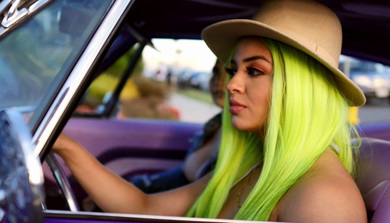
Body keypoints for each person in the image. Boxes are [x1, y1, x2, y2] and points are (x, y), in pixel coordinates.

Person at [53, 0, 368, 222]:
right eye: (233, 70)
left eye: (255, 71)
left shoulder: (324, 198)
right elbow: (144, 206)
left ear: (301, 87)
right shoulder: (258, 165)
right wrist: (65, 145)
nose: (232, 84)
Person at [129, 59, 225, 193]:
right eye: (215, 73)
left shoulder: (248, 141)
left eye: (230, 72)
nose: (219, 82)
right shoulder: (217, 122)